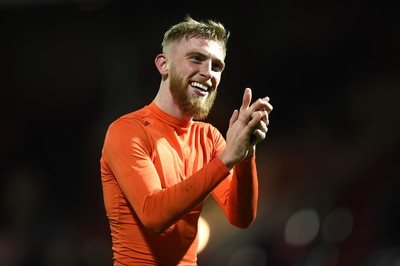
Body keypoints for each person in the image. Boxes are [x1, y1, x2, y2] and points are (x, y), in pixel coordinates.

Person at [100, 15, 273, 265]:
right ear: (163, 65)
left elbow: (240, 217)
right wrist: (227, 159)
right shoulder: (127, 130)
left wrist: (246, 154)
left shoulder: (209, 137)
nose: (208, 73)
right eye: (196, 58)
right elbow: (154, 215)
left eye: (217, 66)